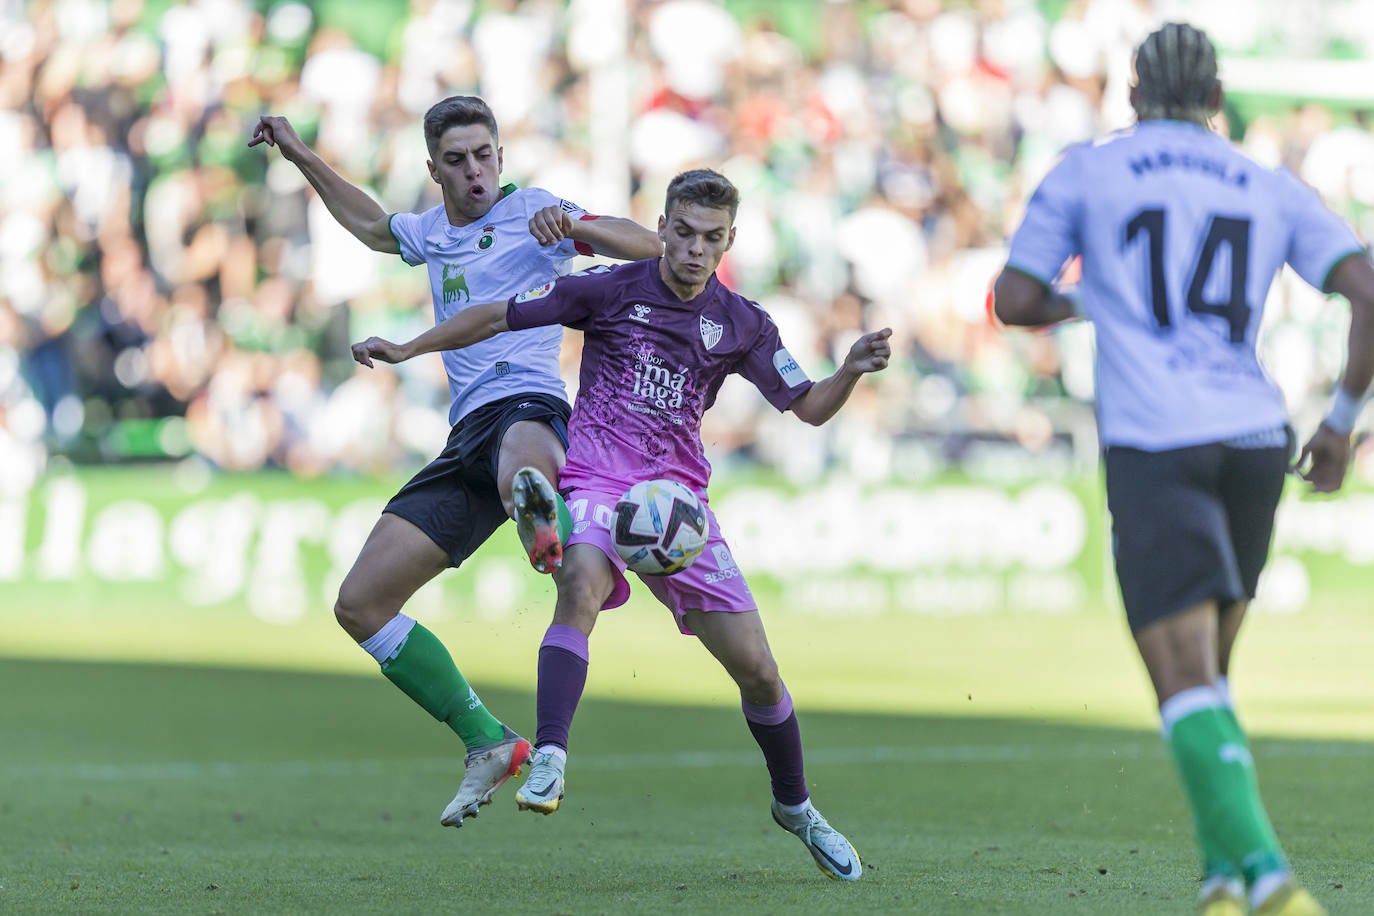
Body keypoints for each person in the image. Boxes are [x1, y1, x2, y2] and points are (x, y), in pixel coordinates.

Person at [350, 168, 891, 880]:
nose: (696, 250)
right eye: (685, 233)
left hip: (677, 510)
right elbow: (497, 313)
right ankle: (550, 753)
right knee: (577, 581)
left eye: (712, 239)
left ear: (730, 242)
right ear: (661, 228)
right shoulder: (608, 288)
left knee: (759, 674)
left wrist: (848, 369)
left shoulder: (744, 324)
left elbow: (810, 406)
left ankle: (795, 806)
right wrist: (413, 348)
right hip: (600, 481)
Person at [991, 23, 1374, 916]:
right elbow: (1365, 287)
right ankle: (1221, 883)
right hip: (1254, 439)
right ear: (1216, 99)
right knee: (1212, 677)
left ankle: (1273, 880)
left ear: (1132, 95)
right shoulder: (1268, 182)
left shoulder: (1088, 170)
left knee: (1182, 681)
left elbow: (1011, 299)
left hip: (1157, 442)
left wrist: (1088, 297)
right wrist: (1345, 421)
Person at [248, 96, 662, 828]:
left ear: (501, 157)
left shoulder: (536, 212)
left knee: (525, 466)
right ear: (433, 168)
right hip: (463, 438)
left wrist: (579, 226)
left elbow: (647, 247)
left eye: (485, 155)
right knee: (361, 605)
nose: (475, 170)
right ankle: (488, 740)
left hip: (529, 404)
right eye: (459, 159)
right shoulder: (433, 232)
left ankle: (550, 527)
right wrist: (301, 154)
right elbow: (374, 225)